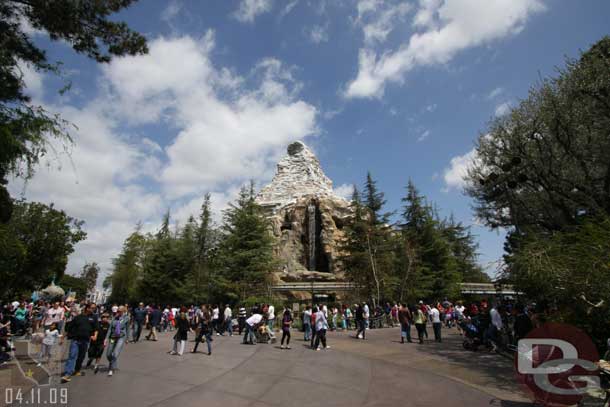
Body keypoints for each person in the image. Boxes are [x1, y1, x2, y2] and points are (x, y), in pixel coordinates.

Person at [61, 305, 97, 383]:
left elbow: (96, 329)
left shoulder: (93, 318)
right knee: (72, 356)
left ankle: (77, 370)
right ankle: (67, 374)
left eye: (94, 308)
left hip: (85, 341)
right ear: (87, 308)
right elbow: (69, 327)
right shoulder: (78, 317)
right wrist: (62, 337)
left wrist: (95, 336)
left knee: (81, 356)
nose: (94, 309)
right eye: (92, 308)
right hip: (76, 340)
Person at [106, 306, 130, 377]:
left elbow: (128, 329)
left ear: (123, 311)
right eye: (117, 311)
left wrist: (127, 338)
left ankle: (111, 368)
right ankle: (112, 362)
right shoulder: (114, 318)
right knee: (108, 354)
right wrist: (106, 338)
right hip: (113, 337)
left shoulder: (127, 318)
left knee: (115, 353)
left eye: (119, 311)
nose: (118, 312)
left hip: (121, 337)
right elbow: (110, 329)